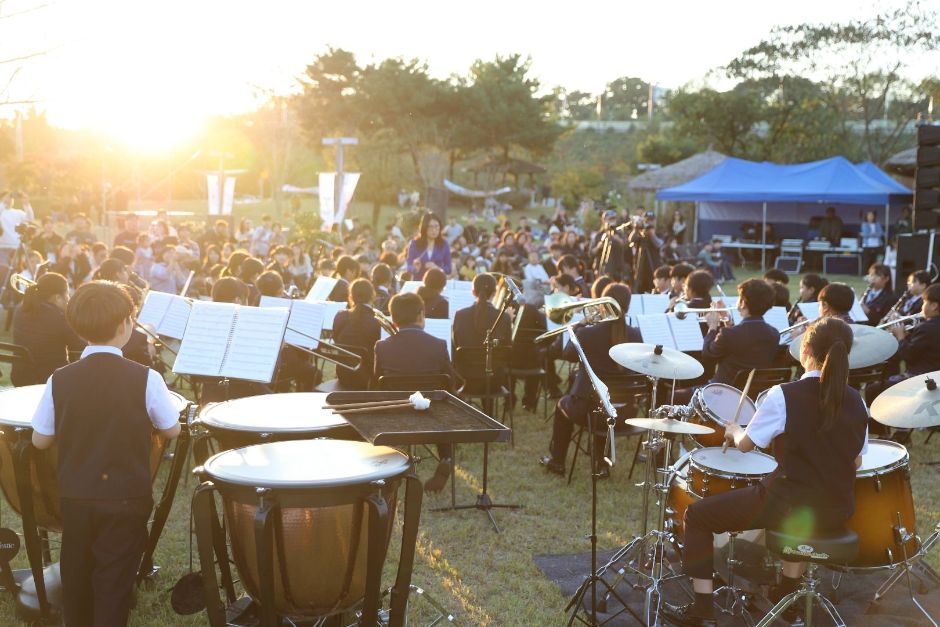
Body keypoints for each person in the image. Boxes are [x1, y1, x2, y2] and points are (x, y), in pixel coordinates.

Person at [662, 317, 868, 627]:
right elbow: (856, 462)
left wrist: (733, 430)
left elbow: (747, 445)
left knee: (697, 516)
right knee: (801, 514)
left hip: (786, 504)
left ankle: (701, 609)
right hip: (837, 510)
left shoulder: (784, 395)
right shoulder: (857, 401)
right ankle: (786, 597)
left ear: (806, 349)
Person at [30, 281, 181, 627]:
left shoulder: (60, 378)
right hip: (127, 497)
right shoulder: (147, 378)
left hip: (77, 497)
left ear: (77, 328)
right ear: (127, 323)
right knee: (114, 583)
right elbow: (172, 429)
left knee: (77, 578)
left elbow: (40, 440)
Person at [539, 284, 641, 479]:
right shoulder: (636, 335)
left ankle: (557, 461)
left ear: (602, 305)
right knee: (601, 403)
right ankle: (600, 464)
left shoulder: (587, 333)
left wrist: (580, 325)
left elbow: (567, 354)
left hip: (592, 414)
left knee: (563, 404)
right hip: (626, 413)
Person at [374, 292, 456, 492]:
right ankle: (446, 457)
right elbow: (450, 384)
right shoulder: (438, 345)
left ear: (393, 319)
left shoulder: (382, 347)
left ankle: (386, 463)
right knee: (445, 402)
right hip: (430, 414)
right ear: (421, 315)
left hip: (395, 415)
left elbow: (375, 385)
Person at [11, 273, 84, 386]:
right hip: (50, 380)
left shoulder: (20, 309)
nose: (68, 299)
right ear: (57, 298)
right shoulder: (58, 316)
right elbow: (80, 346)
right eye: (67, 294)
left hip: (21, 378)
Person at [701, 279, 780, 385]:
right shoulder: (774, 334)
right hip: (752, 391)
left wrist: (712, 326)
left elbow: (708, 355)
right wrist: (727, 320)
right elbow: (742, 339)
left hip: (723, 390)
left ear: (743, 303)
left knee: (679, 393)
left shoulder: (729, 334)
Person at [333, 278, 382, 389]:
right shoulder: (377, 320)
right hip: (368, 378)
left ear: (351, 296)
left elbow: (337, 339)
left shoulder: (340, 316)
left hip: (343, 374)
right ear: (372, 296)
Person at [406, 212, 452, 279]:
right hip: (419, 282)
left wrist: (436, 268)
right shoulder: (414, 243)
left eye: (436, 226)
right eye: (430, 227)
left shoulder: (444, 244)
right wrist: (414, 269)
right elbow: (408, 266)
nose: (434, 230)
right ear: (424, 228)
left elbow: (449, 269)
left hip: (437, 281)